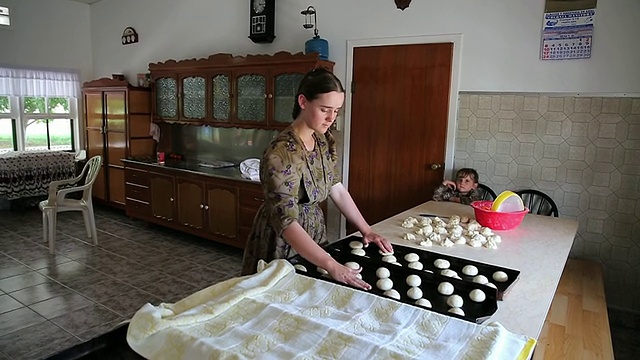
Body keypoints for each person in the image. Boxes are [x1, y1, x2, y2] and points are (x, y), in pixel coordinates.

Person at [241, 68, 393, 290]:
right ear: (303, 101)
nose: (331, 118)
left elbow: (336, 188)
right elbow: (286, 221)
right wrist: (331, 265)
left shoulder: (322, 141)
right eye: (324, 110)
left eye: (336, 111)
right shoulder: (282, 153)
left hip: (314, 230)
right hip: (284, 237)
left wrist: (366, 229)